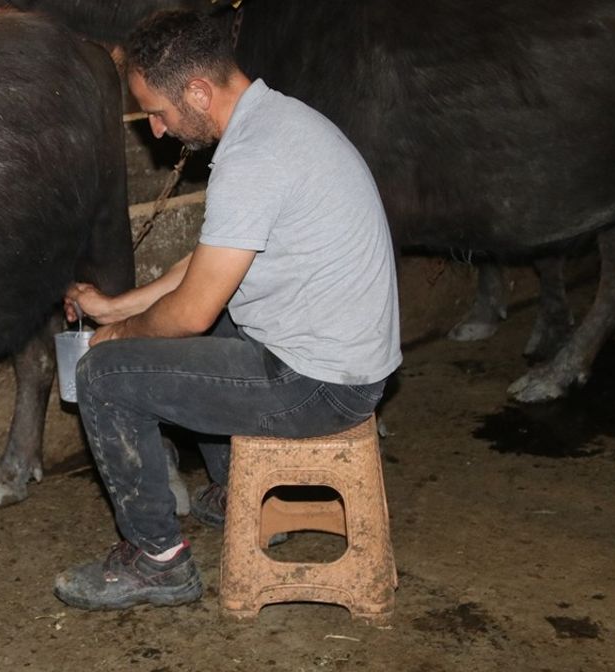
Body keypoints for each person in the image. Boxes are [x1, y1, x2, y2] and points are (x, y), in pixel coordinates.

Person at [54, 10, 401, 611]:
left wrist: (115, 339)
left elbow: (188, 314)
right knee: (219, 312)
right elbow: (207, 266)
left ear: (197, 91)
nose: (157, 131)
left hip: (320, 385)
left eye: (157, 112)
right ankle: (241, 490)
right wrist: (116, 307)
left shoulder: (254, 157)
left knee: (104, 377)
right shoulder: (276, 122)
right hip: (339, 361)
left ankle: (157, 561)